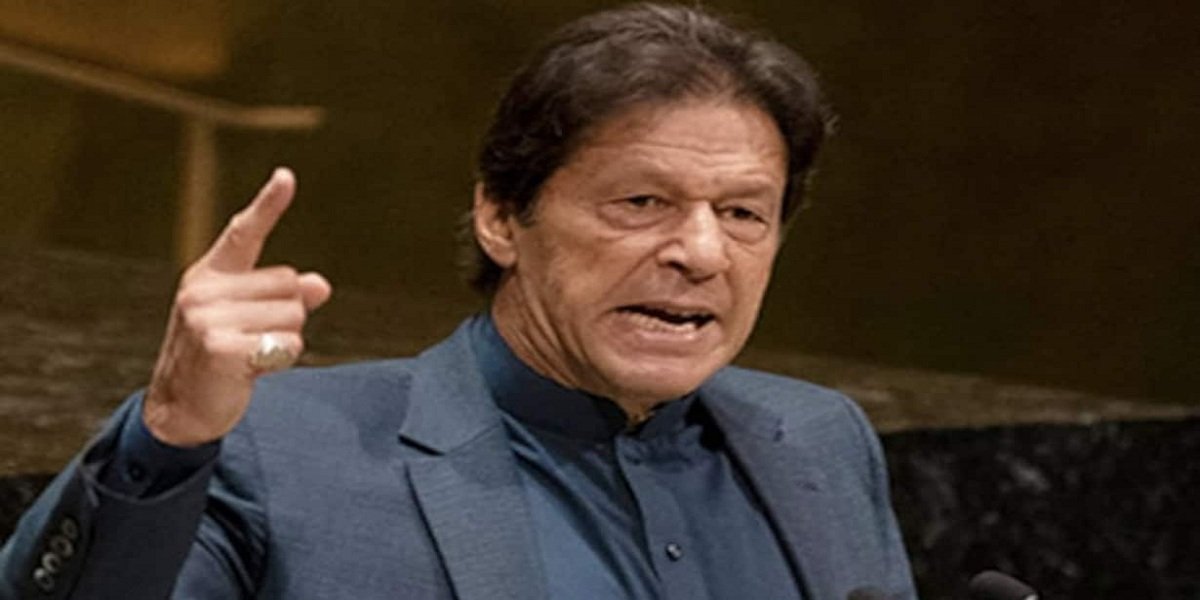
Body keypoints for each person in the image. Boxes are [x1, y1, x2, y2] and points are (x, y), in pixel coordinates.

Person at [1, 3, 916, 599]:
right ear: (501, 216)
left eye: (744, 213)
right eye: (642, 203)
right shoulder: (278, 452)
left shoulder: (818, 440)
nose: (701, 252)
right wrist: (168, 433)